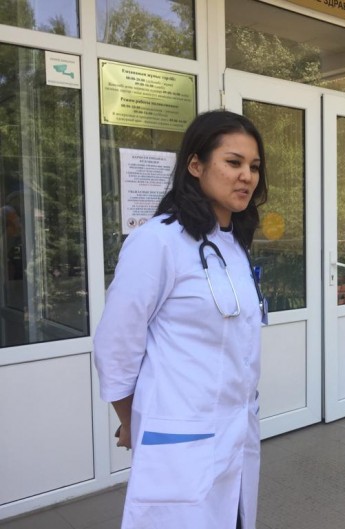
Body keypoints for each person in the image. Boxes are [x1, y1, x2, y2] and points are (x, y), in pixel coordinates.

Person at [94, 110, 268, 529]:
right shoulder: (157, 241)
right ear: (195, 165)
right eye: (233, 162)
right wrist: (132, 420)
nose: (246, 176)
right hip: (179, 441)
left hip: (236, 436)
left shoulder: (234, 245)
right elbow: (116, 345)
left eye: (254, 166)